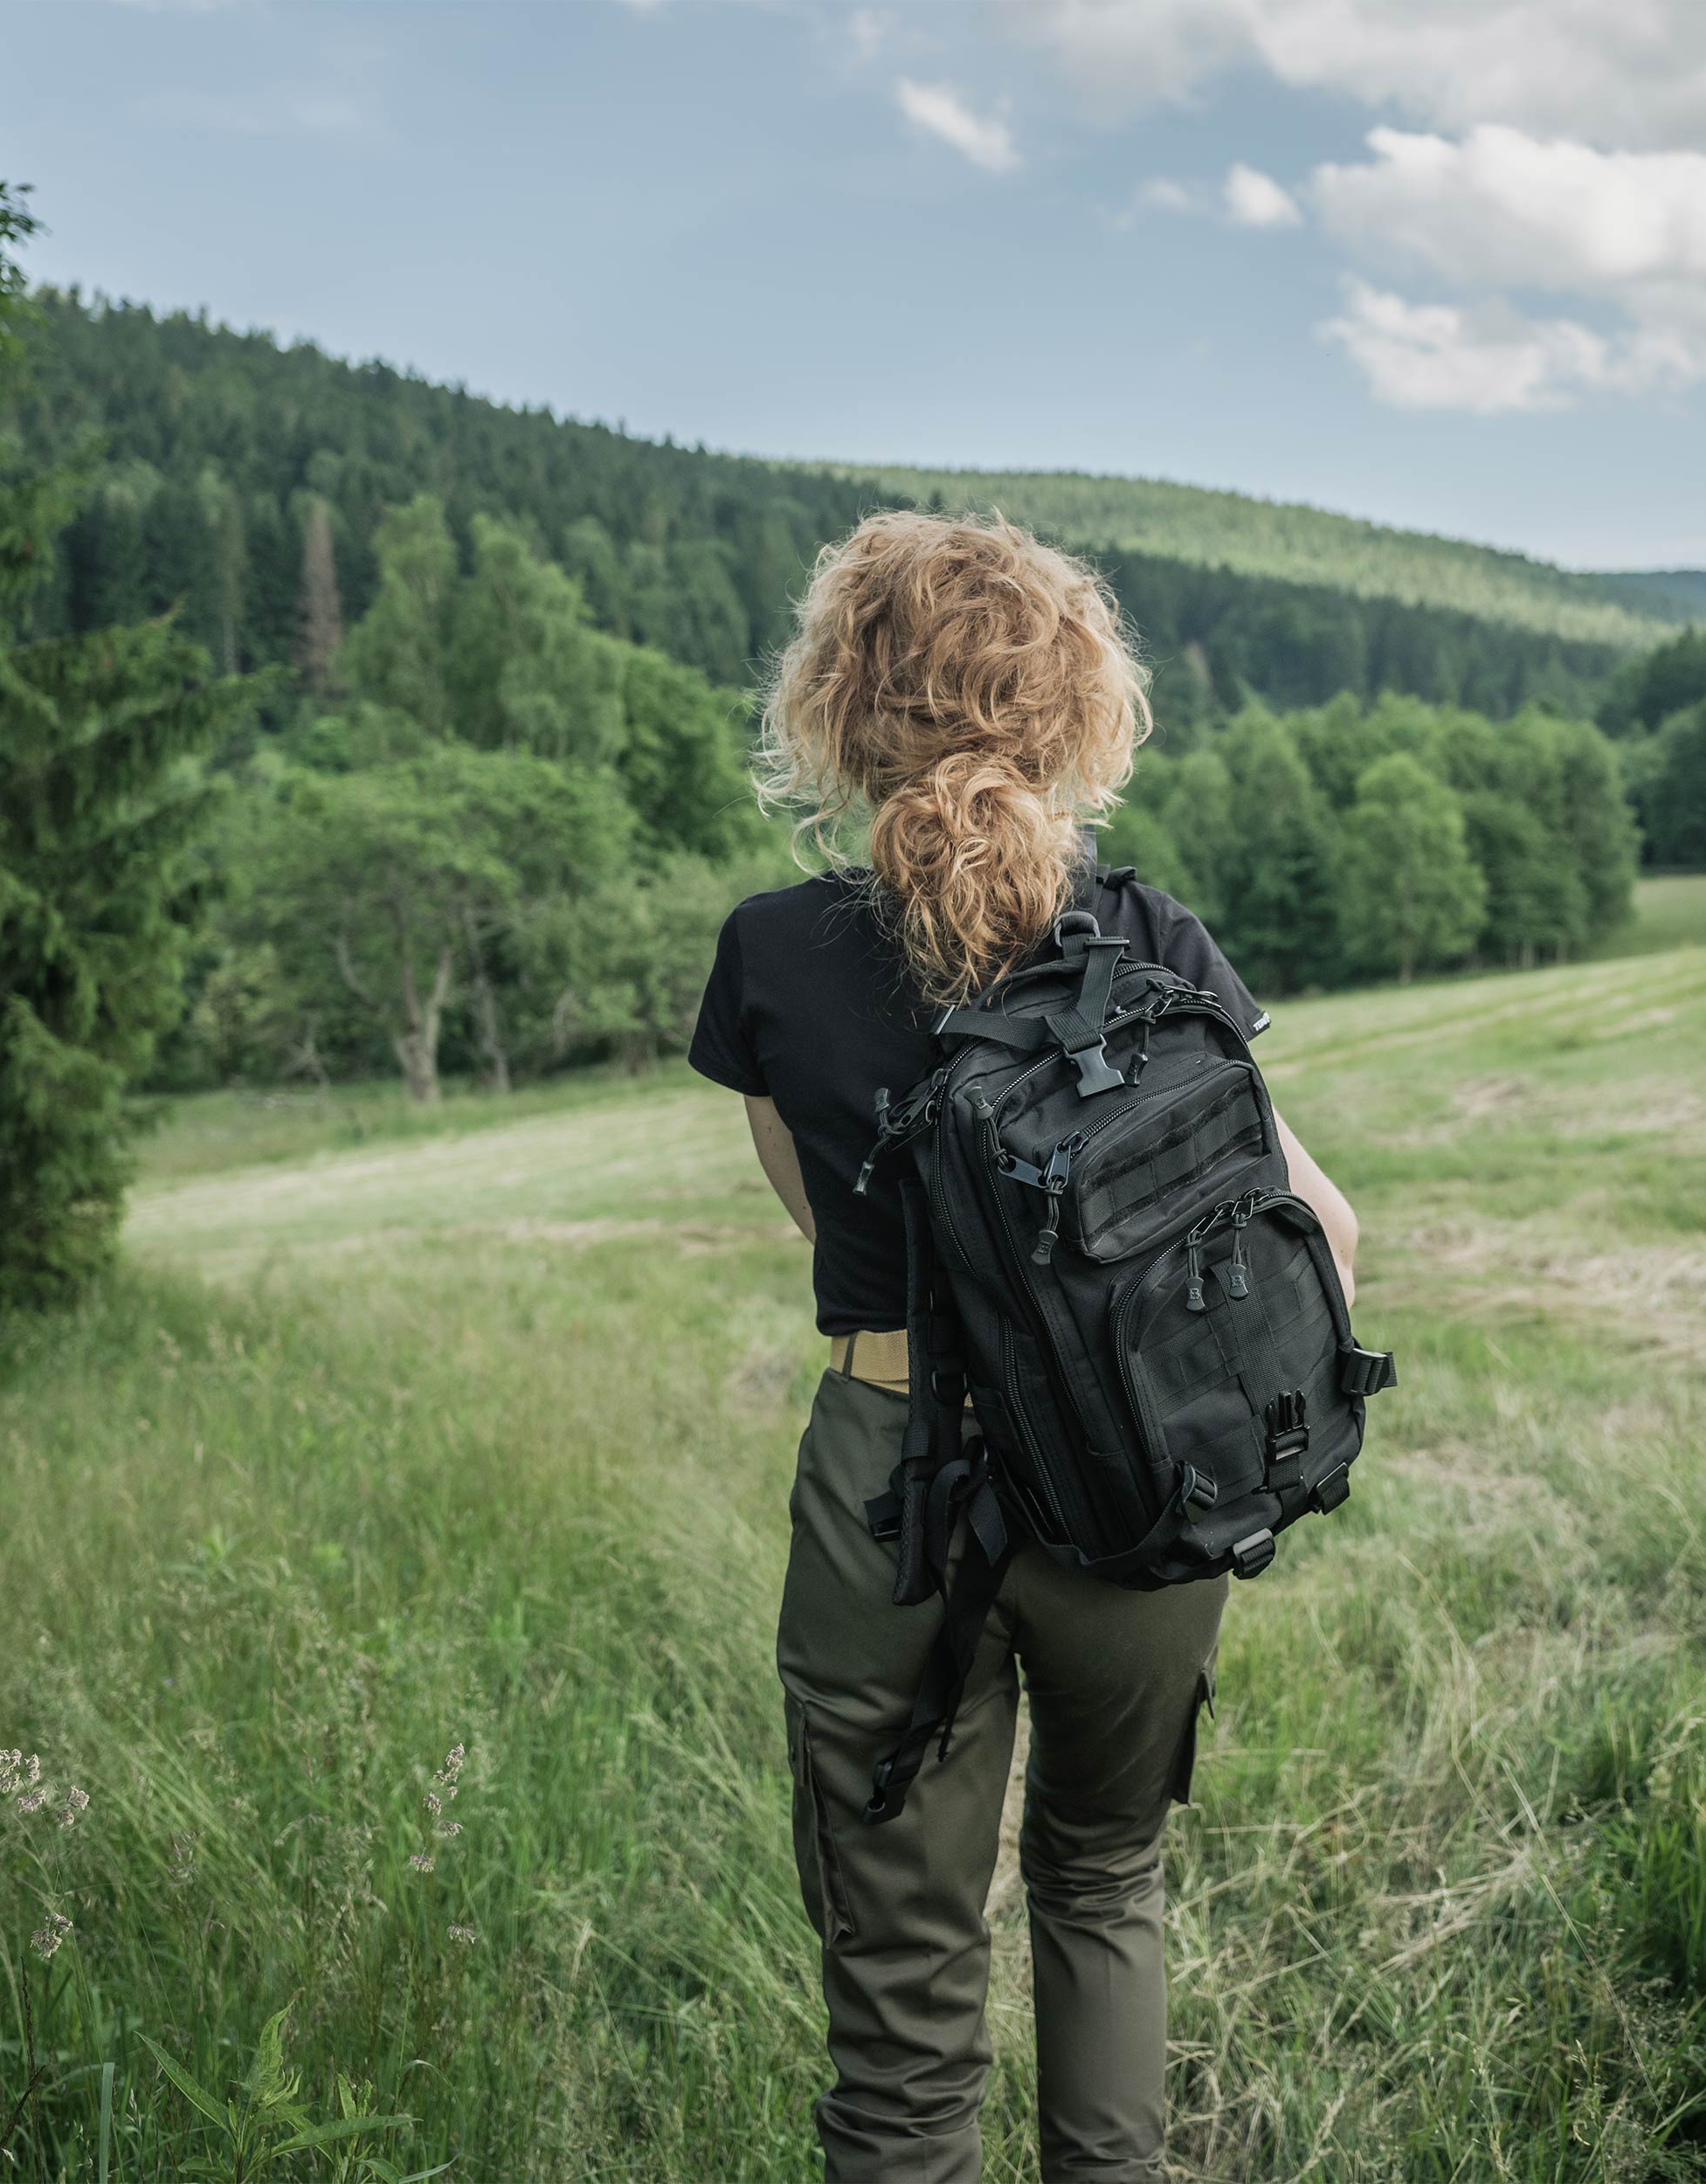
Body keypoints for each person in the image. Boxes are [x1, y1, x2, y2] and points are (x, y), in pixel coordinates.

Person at [688, 512, 1361, 2184]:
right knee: (1104, 1880)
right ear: (1075, 702)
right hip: (1139, 1479)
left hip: (890, 1501)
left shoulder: (770, 956)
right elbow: (1325, 1235)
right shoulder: (1154, 940)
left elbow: (840, 1247)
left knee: (900, 2013)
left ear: (839, 701)